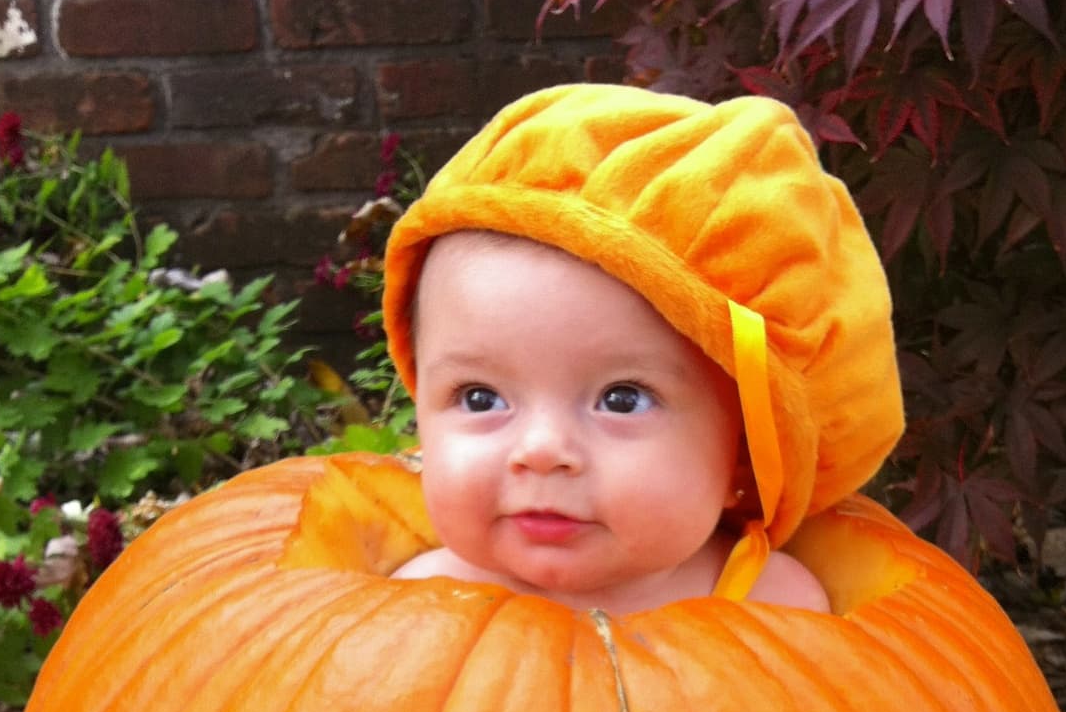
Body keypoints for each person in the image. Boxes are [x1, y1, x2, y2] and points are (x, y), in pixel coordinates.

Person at [380, 83, 905, 614]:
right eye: (479, 397)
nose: (540, 451)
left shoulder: (776, 610)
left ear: (745, 457)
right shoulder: (416, 608)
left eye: (622, 399)